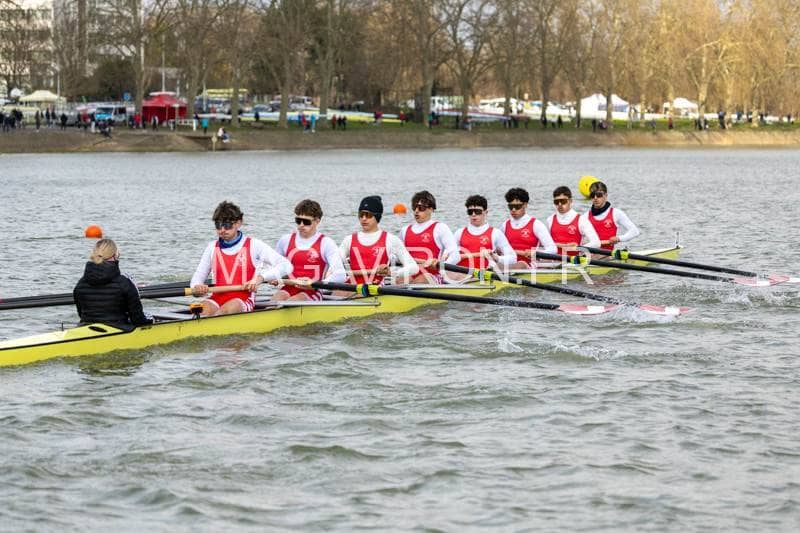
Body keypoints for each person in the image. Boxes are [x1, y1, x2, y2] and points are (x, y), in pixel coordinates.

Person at [190, 201, 291, 316]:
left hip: (242, 300)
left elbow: (286, 265)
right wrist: (197, 288)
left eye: (227, 225)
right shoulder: (211, 247)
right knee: (203, 309)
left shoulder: (254, 245)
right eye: (218, 225)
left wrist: (260, 278)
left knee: (228, 309)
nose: (222, 230)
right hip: (216, 298)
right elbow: (198, 276)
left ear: (238, 223)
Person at [271, 199, 346, 301]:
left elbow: (340, 274)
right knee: (275, 300)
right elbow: (273, 266)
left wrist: (317, 284)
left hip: (313, 291)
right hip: (288, 288)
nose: (301, 225)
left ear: (317, 221)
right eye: (298, 221)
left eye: (306, 222)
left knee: (292, 302)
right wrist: (271, 276)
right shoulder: (285, 240)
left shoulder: (326, 243)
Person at [73, 239, 153, 329]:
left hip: (86, 329)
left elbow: (81, 314)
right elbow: (138, 320)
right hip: (119, 329)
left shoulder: (80, 284)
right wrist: (151, 320)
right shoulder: (124, 283)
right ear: (115, 256)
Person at [339, 196, 419, 286]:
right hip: (351, 287)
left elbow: (413, 267)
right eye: (361, 215)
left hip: (376, 287)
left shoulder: (390, 239)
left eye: (368, 215)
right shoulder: (348, 240)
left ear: (377, 216)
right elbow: (335, 263)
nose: (364, 218)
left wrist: (391, 272)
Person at [400, 190, 460, 283]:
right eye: (414, 207)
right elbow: (395, 256)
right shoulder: (404, 230)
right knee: (398, 281)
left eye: (421, 208)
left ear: (431, 209)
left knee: (420, 280)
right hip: (410, 273)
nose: (416, 211)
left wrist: (440, 265)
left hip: (433, 275)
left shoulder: (440, 228)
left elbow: (455, 255)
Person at [452, 194, 516, 279]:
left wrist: (496, 257)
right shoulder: (459, 233)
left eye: (477, 211)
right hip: (463, 277)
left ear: (486, 212)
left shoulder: (496, 233)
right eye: (470, 212)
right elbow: (449, 257)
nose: (473, 214)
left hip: (484, 276)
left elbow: (513, 258)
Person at [501, 187, 557, 269]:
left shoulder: (536, 224)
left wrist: (535, 253)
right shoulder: (504, 225)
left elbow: (553, 249)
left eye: (517, 206)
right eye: (511, 206)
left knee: (519, 265)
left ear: (525, 205)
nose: (513, 209)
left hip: (528, 264)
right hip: (509, 263)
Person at [583, 181, 640, 250]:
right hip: (589, 254)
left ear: (606, 196)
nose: (595, 198)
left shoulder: (616, 213)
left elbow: (635, 231)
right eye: (592, 195)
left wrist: (619, 238)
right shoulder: (585, 217)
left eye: (599, 195)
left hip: (608, 254)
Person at [546, 186, 601, 256]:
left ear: (570, 201)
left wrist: (578, 248)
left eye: (563, 201)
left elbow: (596, 243)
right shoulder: (550, 220)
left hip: (573, 260)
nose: (559, 204)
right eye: (556, 202)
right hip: (553, 260)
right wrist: (565, 246)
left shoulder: (581, 220)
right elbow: (544, 243)